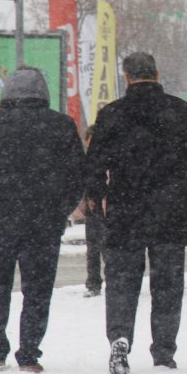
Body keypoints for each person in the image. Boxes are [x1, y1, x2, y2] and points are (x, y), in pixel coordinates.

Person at [84, 52, 187, 374]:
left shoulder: (111, 114)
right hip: (169, 208)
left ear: (126, 77)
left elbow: (94, 165)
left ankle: (119, 336)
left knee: (121, 280)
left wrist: (96, 196)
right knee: (168, 283)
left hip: (124, 208)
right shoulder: (180, 111)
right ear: (156, 74)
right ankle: (164, 350)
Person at [0, 67, 85, 374]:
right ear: (43, 93)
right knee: (38, 289)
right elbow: (76, 176)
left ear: (7, 94)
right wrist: (60, 209)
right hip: (44, 223)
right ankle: (29, 353)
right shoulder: (61, 126)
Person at [82, 125, 105, 297]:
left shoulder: (103, 158)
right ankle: (93, 282)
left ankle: (100, 280)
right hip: (93, 208)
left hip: (104, 205)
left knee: (104, 245)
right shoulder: (87, 158)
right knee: (93, 247)